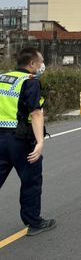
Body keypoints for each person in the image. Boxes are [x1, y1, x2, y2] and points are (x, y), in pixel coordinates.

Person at [0, 47, 56, 236]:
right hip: (21, 140)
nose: (42, 65)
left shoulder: (2, 78)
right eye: (40, 62)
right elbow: (36, 113)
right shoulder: (30, 82)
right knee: (31, 180)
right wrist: (40, 142)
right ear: (32, 64)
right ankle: (34, 223)